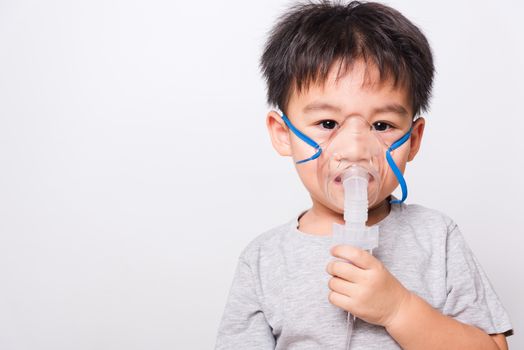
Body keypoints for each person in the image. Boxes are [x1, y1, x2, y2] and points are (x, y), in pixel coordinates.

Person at [215, 1, 513, 349]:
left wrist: (398, 309)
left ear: (413, 140)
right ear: (283, 134)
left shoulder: (436, 238)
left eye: (382, 125)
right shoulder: (264, 259)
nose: (356, 148)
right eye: (327, 123)